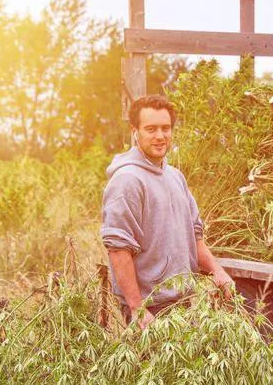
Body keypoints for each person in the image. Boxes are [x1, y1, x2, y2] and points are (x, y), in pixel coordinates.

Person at [100, 94, 234, 329]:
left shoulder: (175, 177)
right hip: (150, 307)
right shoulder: (127, 180)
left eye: (165, 128)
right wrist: (137, 309)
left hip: (184, 301)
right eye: (151, 129)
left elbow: (195, 235)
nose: (160, 136)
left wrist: (217, 270)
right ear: (135, 131)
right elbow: (118, 248)